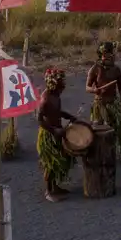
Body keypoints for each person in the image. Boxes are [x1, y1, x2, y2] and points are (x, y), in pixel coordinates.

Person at [36, 67, 76, 201]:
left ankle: (55, 187)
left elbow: (57, 112)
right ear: (53, 83)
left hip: (57, 131)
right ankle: (48, 191)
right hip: (48, 134)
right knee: (50, 164)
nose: (63, 85)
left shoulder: (56, 96)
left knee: (60, 160)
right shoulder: (45, 98)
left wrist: (69, 116)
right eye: (61, 83)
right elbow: (39, 119)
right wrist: (53, 130)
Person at [86, 41, 121, 148]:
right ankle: (98, 151)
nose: (108, 58)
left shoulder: (116, 69)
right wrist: (94, 90)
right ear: (101, 55)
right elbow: (87, 87)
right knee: (98, 129)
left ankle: (115, 149)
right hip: (99, 104)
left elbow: (120, 88)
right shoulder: (95, 69)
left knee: (118, 127)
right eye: (105, 56)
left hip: (113, 103)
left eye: (110, 55)